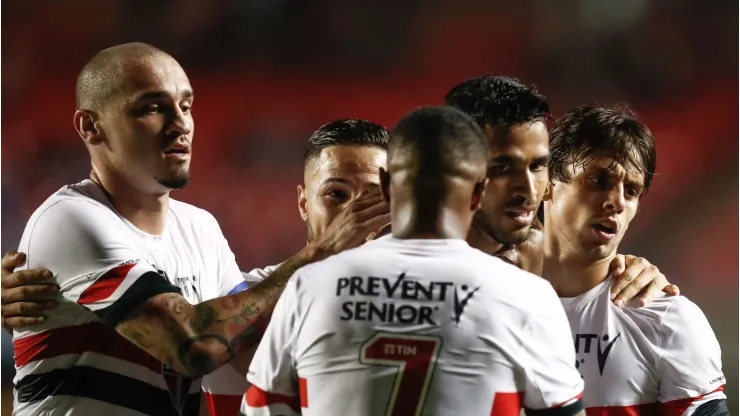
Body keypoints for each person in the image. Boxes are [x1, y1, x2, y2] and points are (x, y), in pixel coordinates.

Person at [5, 42, 363, 416]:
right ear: (91, 126)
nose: (180, 124)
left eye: (186, 106)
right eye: (153, 107)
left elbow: (249, 342)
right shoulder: (72, 219)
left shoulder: (199, 228)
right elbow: (192, 346)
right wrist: (320, 254)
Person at [241, 106, 586, 416]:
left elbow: (260, 410)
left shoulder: (310, 285)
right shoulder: (527, 296)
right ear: (478, 192)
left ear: (387, 186)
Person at [542, 105, 727, 415]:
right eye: (599, 180)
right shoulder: (489, 305)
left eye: (631, 190)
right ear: (547, 184)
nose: (616, 201)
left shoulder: (667, 319)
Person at [201, 118, 391, 415]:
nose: (352, 214)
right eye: (336, 194)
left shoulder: (416, 307)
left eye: (372, 197)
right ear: (304, 203)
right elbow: (196, 347)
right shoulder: (243, 296)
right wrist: (325, 250)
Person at [444, 74, 679, 306]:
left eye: (537, 166)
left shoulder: (655, 313)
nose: (528, 188)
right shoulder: (419, 279)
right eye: (504, 167)